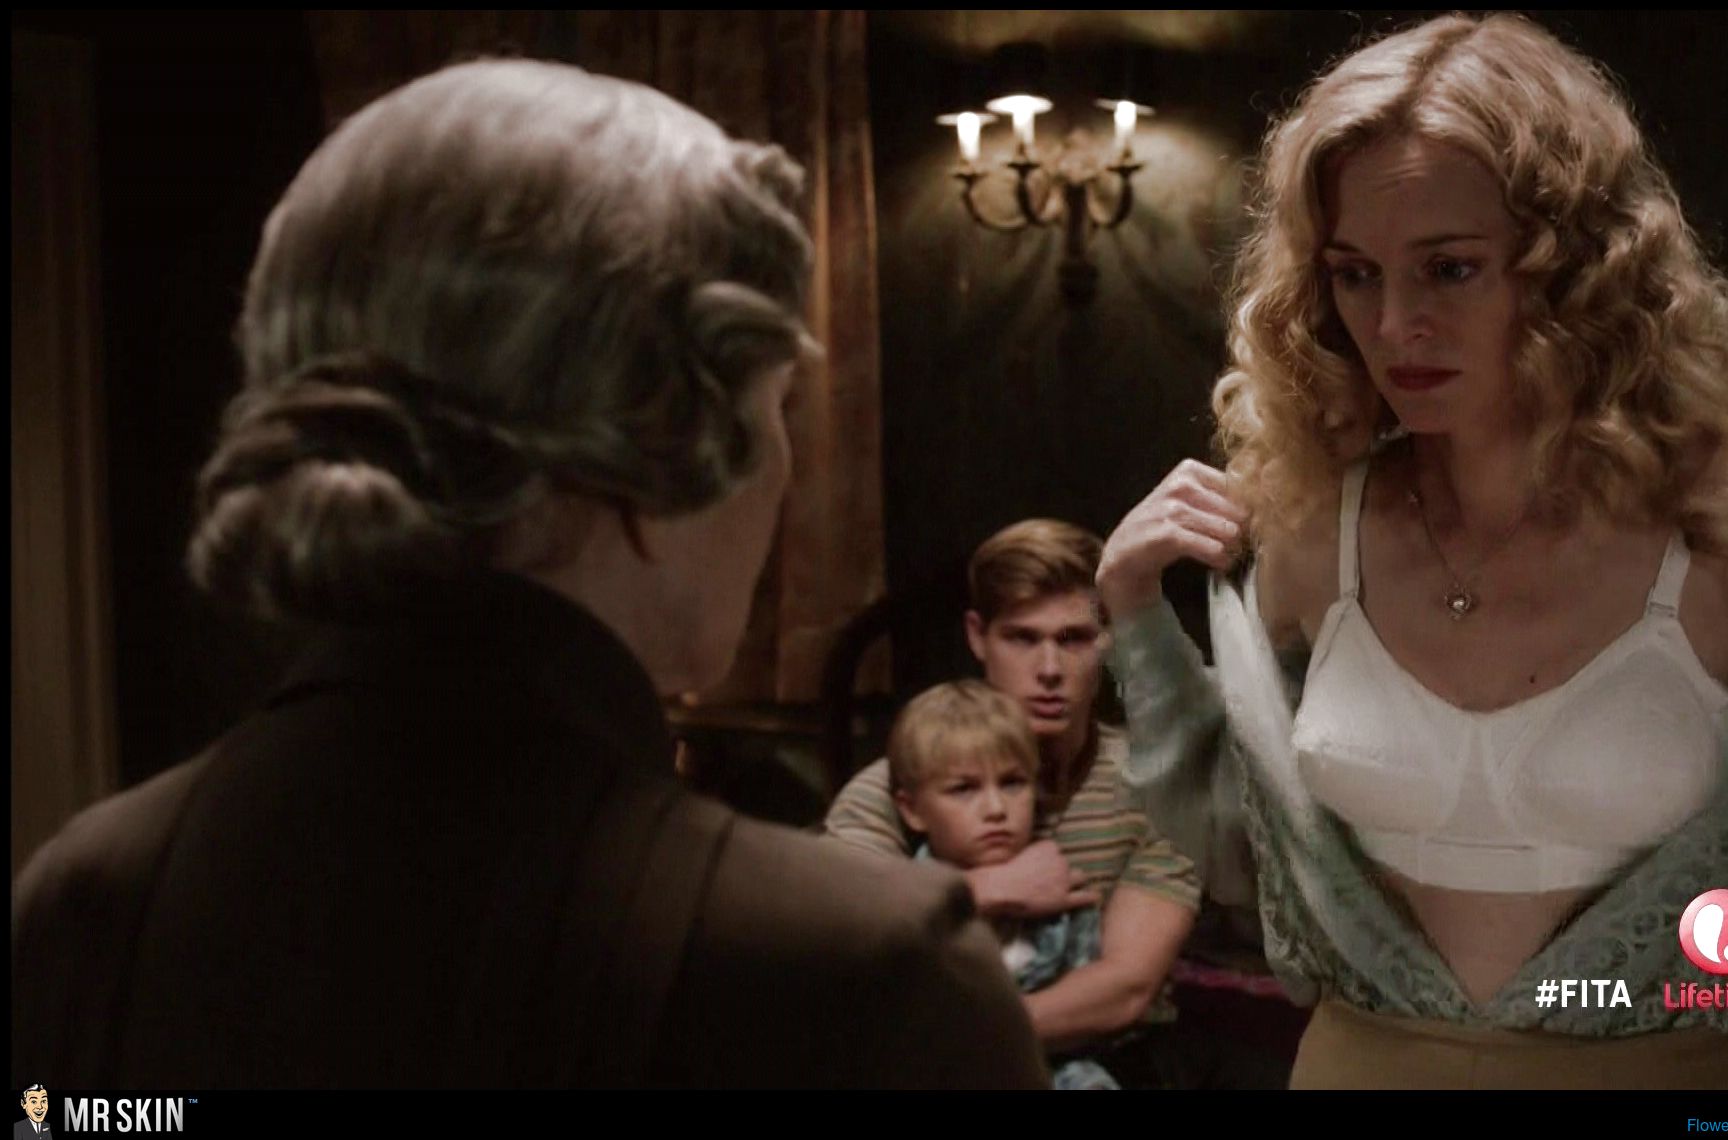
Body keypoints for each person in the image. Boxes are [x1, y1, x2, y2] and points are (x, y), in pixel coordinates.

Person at [10, 59, 1045, 1090]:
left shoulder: (81, 903)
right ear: (661, 444)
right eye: (777, 406)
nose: (784, 467)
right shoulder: (859, 978)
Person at [1099, 13, 1728, 1089]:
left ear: (1574, 266)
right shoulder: (1311, 524)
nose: (1393, 324)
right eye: (1354, 273)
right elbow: (1229, 845)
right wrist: (1131, 608)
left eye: (1448, 269)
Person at [824, 519, 1202, 1086]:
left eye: (1073, 639)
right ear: (978, 637)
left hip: (1107, 1061)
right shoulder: (895, 794)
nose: (1049, 670)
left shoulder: (1157, 784)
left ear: (1107, 639)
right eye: (1022, 638)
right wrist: (986, 890)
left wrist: (956, 1035)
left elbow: (1126, 988)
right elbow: (842, 945)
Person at [888, 679, 1121, 1089]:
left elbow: (1086, 1020)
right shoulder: (898, 900)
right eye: (963, 789)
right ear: (912, 810)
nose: (996, 809)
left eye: (1013, 783)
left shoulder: (1064, 894)